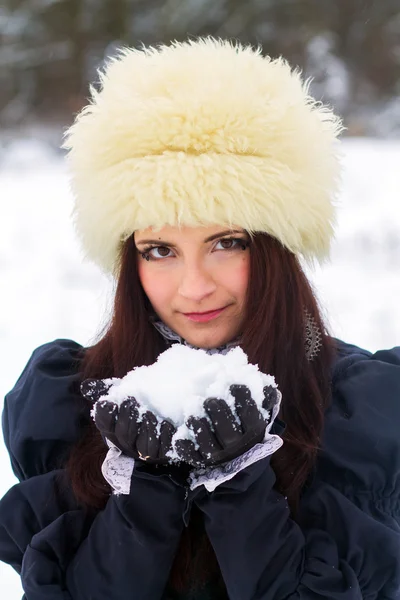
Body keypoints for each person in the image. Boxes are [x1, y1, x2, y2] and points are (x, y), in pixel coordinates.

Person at [0, 37, 399, 600]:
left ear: (278, 247)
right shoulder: (69, 405)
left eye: (226, 242)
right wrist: (144, 491)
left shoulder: (362, 417)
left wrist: (240, 485)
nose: (194, 287)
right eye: (159, 250)